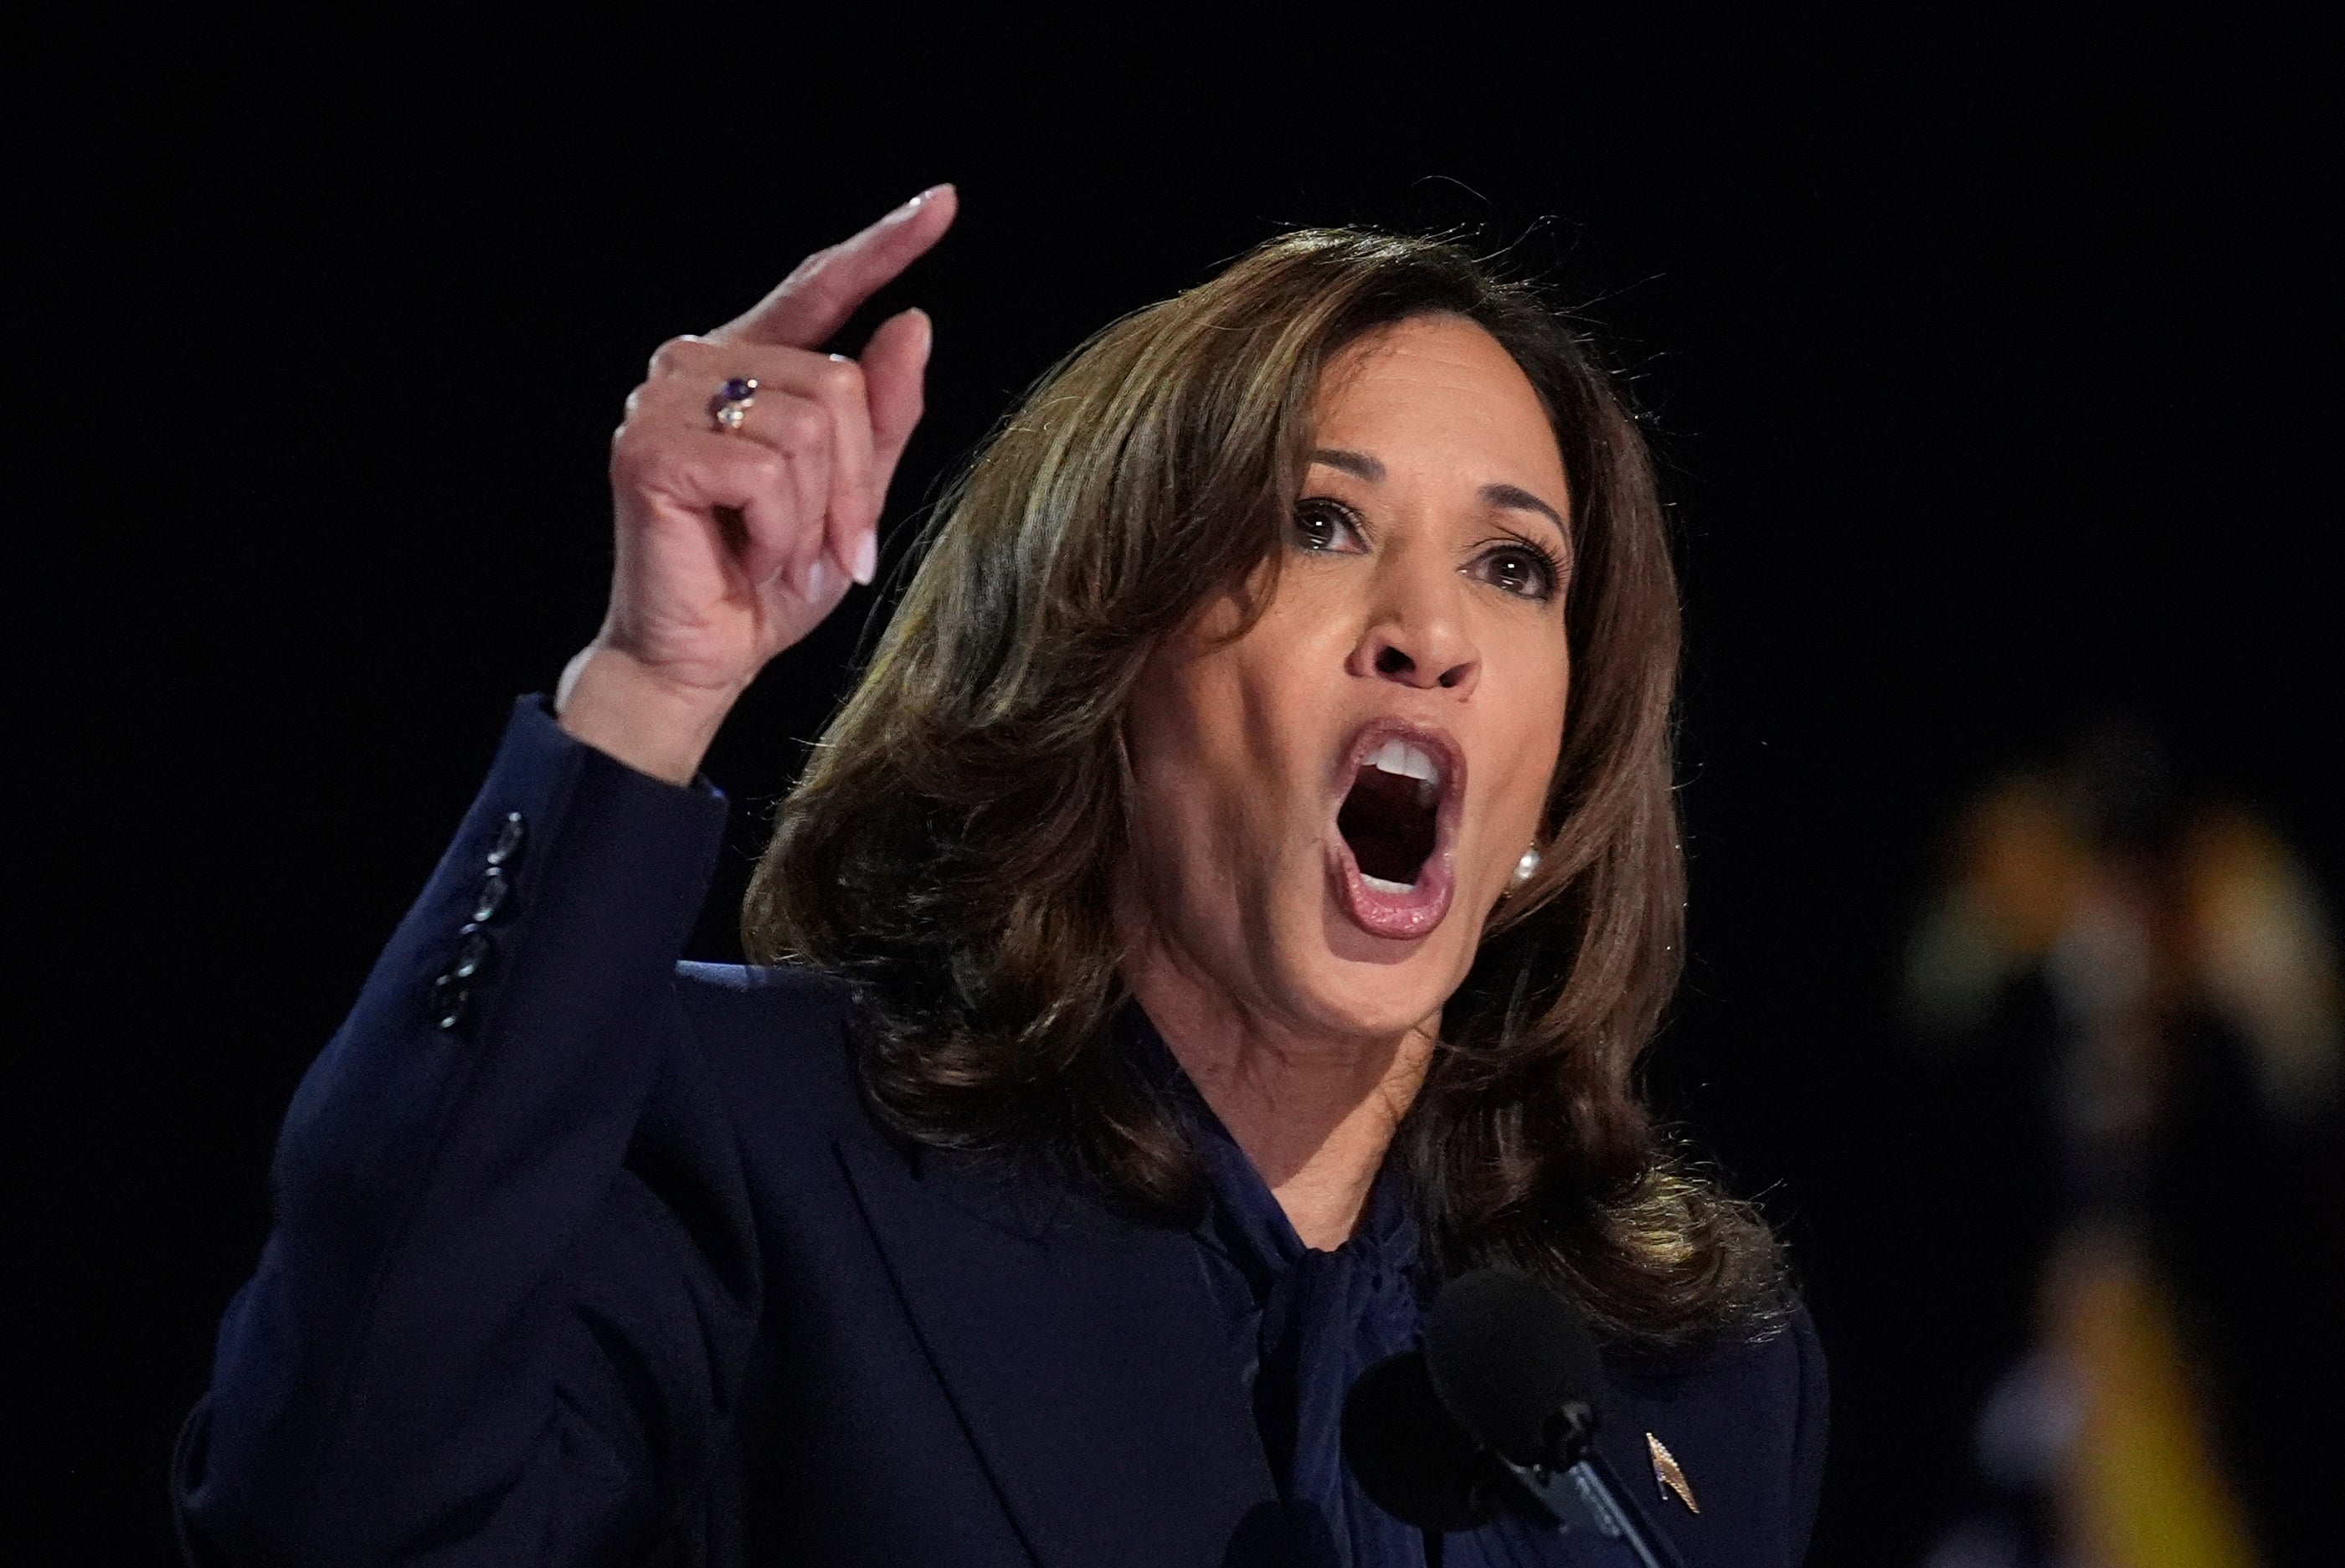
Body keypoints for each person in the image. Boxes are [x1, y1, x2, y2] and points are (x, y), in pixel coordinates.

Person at [173, 187, 1827, 1567]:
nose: (1432, 630)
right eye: (1320, 523)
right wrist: (648, 698)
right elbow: (332, 1511)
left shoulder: (1686, 1378)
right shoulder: (760, 1153)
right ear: (1107, 676)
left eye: (1513, 563)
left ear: (1553, 784)